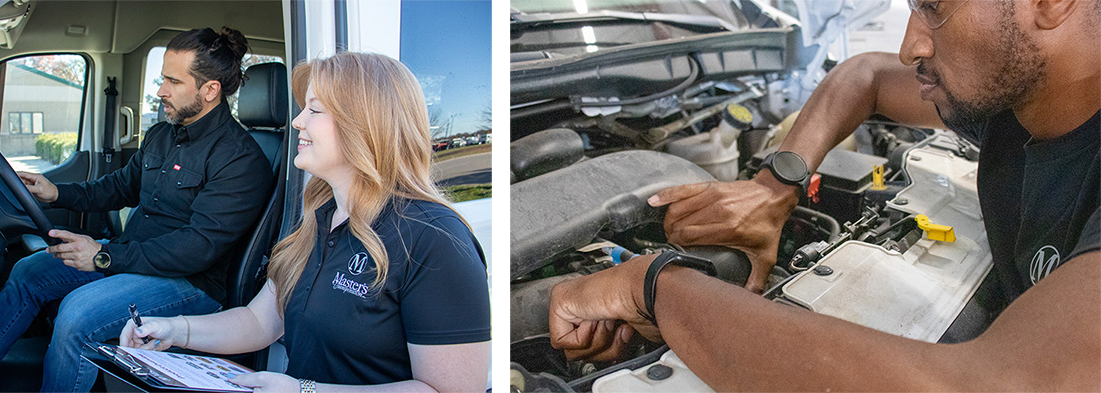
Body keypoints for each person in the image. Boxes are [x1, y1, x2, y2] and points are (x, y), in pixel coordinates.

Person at [548, 0, 1099, 389]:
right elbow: (868, 76)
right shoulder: (1016, 106)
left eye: (933, 5)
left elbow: (1003, 384)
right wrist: (773, 186)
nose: (911, 45)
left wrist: (652, 285)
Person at [119, 52, 491, 392]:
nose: (297, 121)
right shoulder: (320, 219)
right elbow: (259, 322)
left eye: (314, 110)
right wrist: (173, 330)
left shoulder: (435, 239)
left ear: (362, 124)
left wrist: (304, 391)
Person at [0, 27, 273, 392]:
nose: (161, 91)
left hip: (190, 283)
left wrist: (104, 256)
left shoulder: (240, 159)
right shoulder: (163, 134)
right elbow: (118, 187)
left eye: (174, 82)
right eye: (162, 79)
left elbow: (197, 248)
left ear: (210, 90)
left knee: (77, 316)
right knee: (29, 271)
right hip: (136, 259)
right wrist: (55, 193)